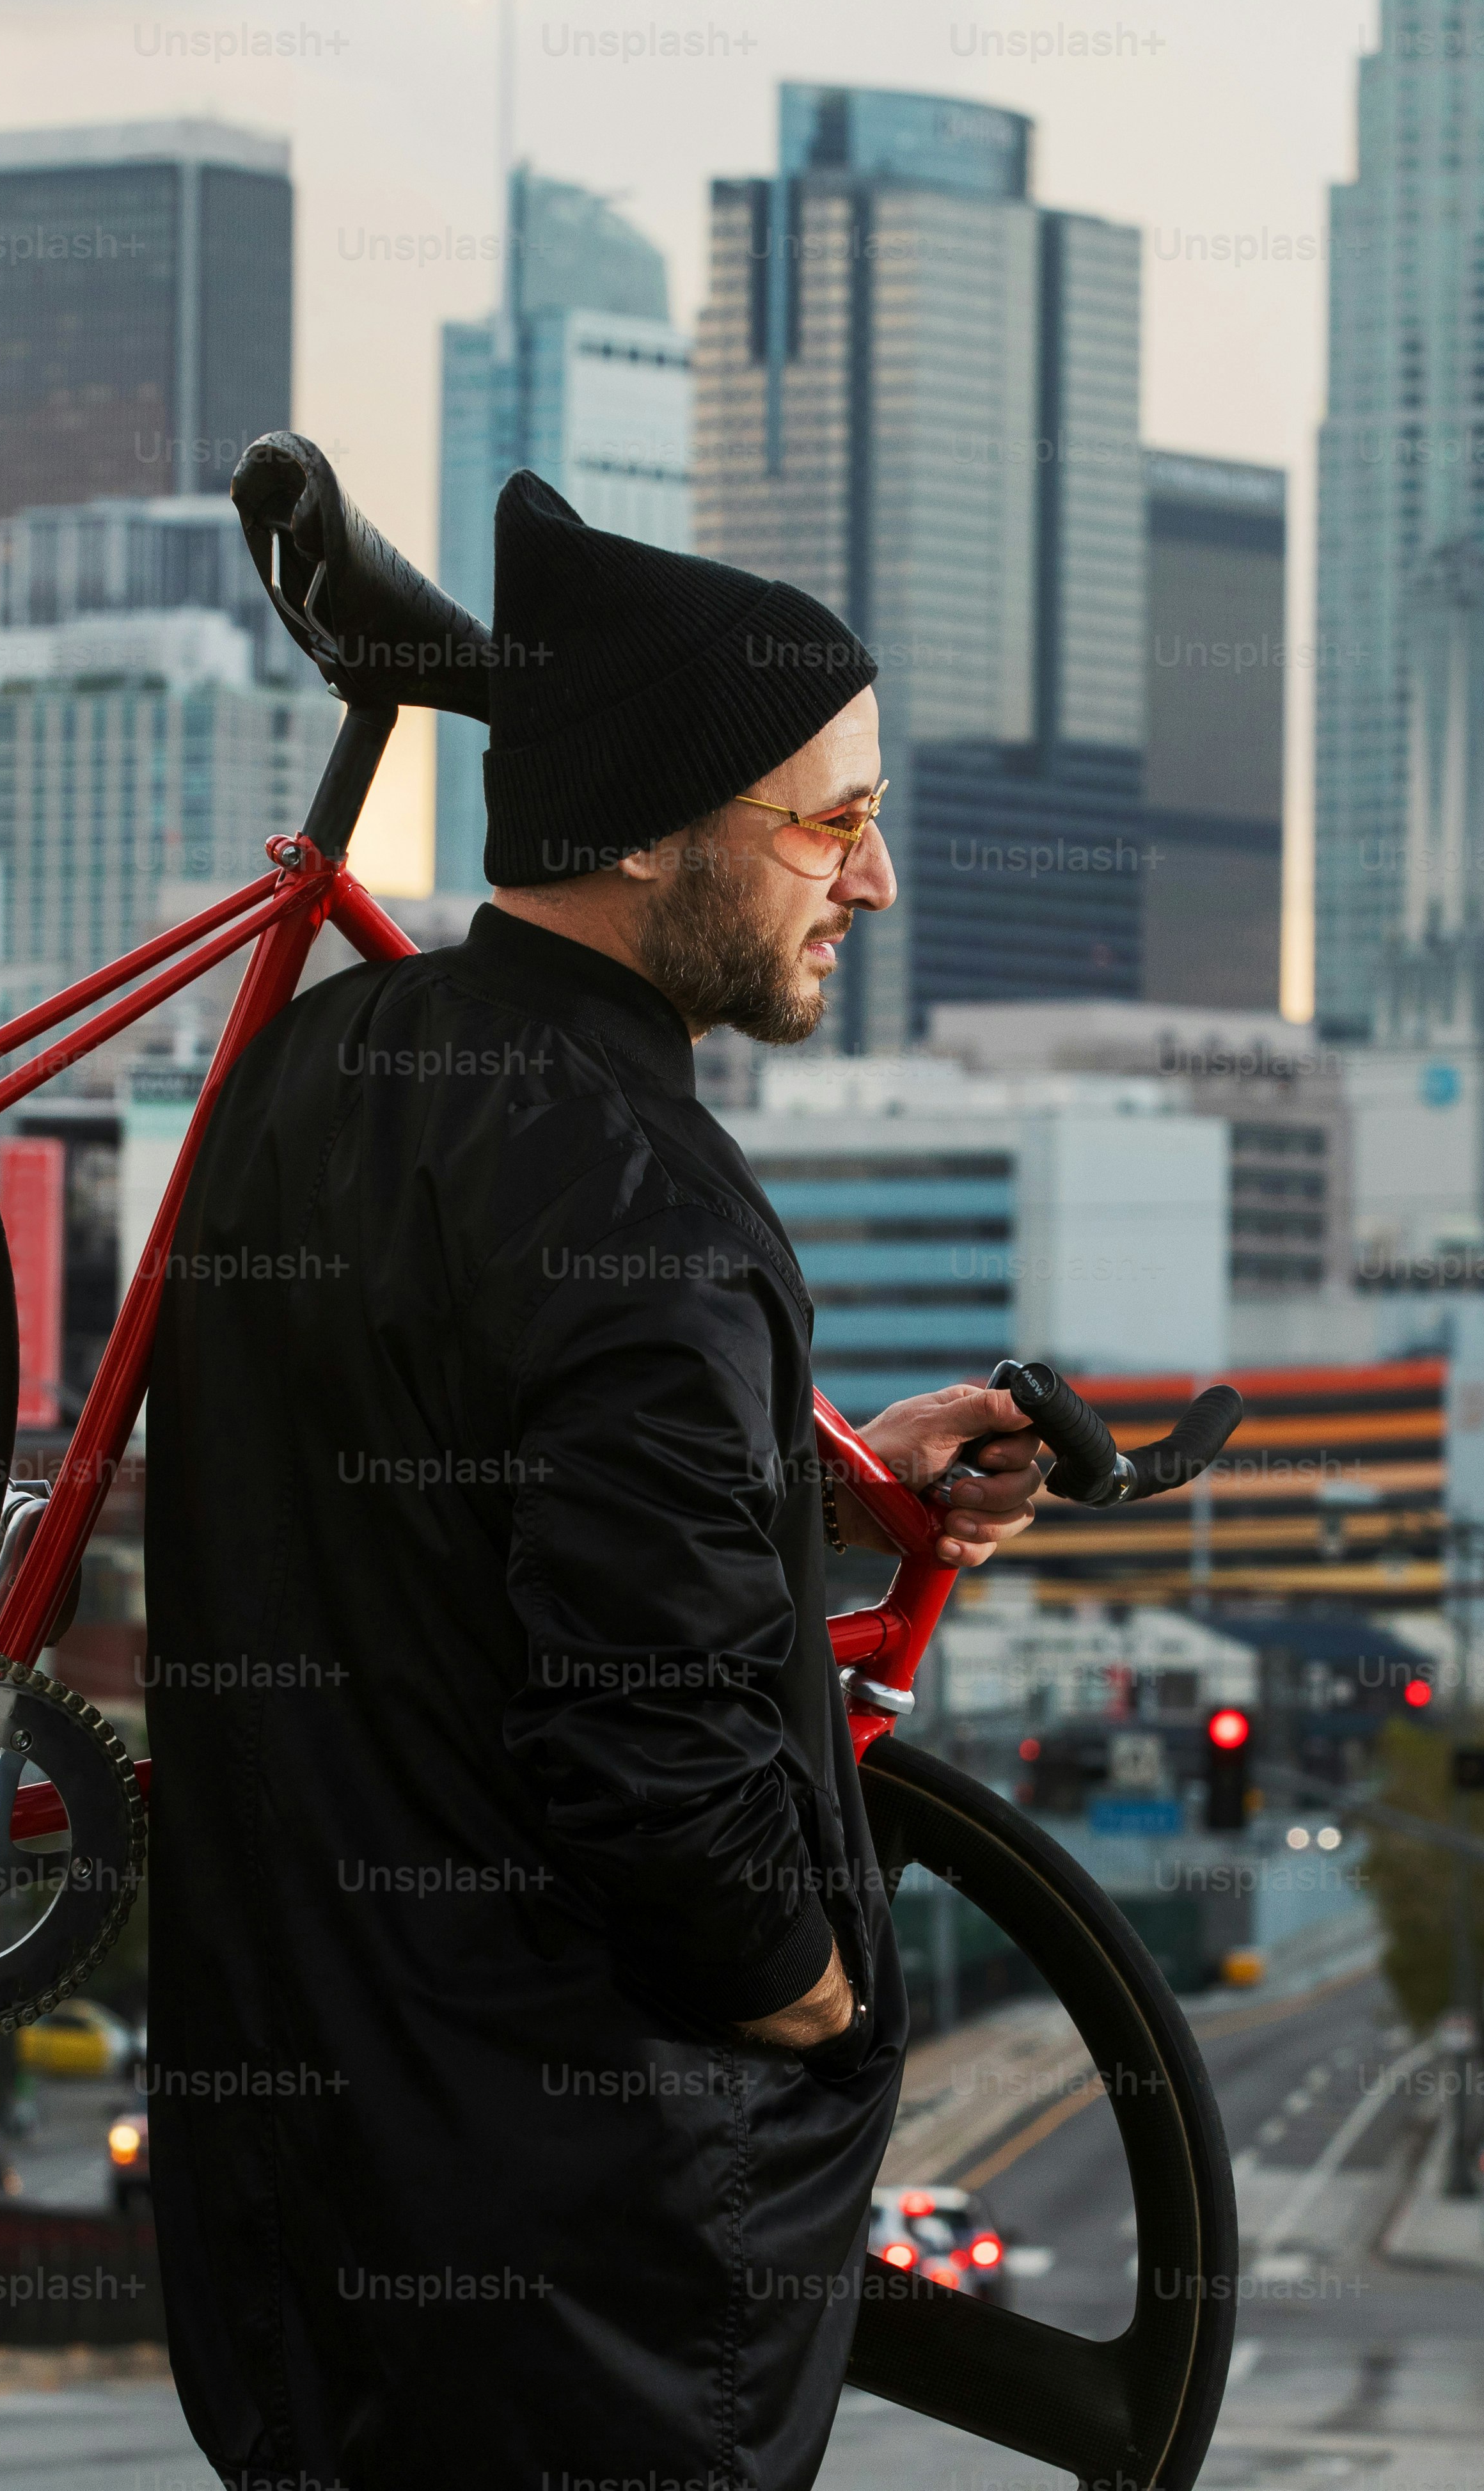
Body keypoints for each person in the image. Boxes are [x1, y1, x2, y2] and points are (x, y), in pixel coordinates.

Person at [146, 473, 1054, 2490]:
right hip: (577, 2268)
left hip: (299, 2215)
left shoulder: (324, 1069)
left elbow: (417, 1542)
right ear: (646, 823)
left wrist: (799, 1483)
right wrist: (811, 1992)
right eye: (828, 818)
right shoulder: (643, 1198)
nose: (875, 879)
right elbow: (643, 1747)